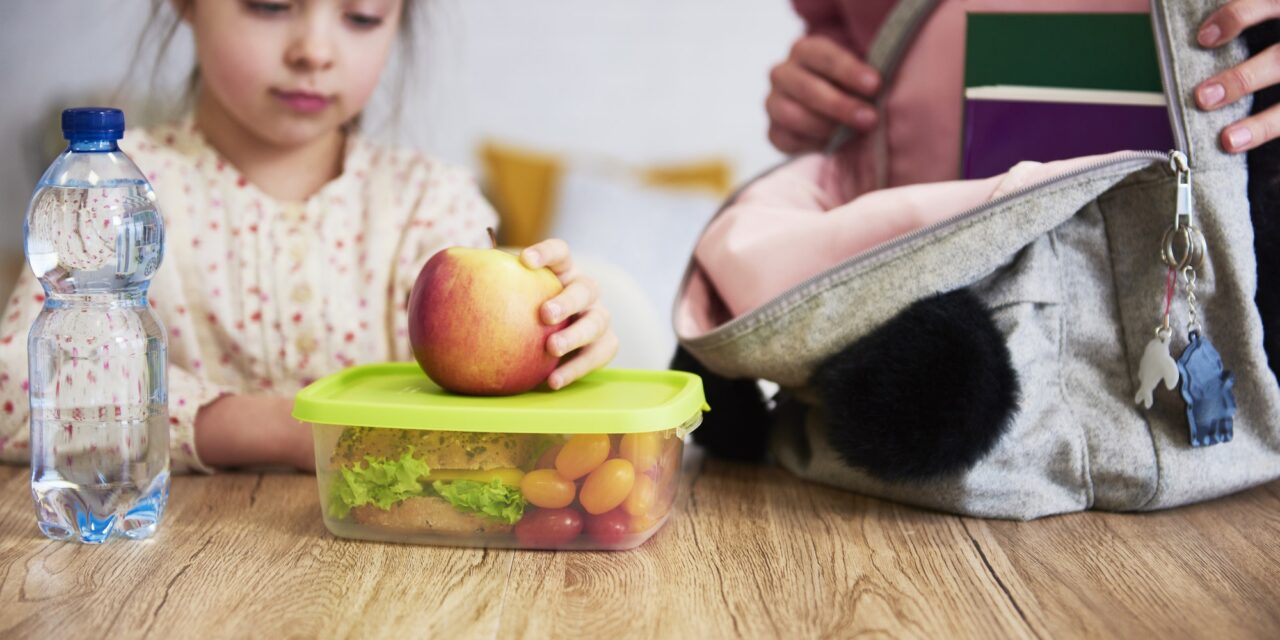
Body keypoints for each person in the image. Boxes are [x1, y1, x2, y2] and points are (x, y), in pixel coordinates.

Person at [0, 0, 618, 473]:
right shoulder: (109, 192)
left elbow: (481, 409)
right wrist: (269, 428)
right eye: (270, 5)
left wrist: (556, 348)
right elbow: (19, 396)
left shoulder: (428, 200)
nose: (315, 52)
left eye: (361, 17)